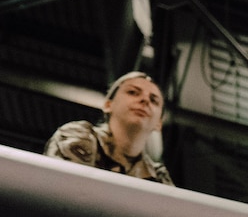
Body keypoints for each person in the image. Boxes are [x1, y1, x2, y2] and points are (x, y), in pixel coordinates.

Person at [44, 71, 173, 184]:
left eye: (154, 100)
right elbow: (67, 193)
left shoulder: (158, 175)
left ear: (158, 124)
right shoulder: (78, 134)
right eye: (133, 92)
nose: (145, 100)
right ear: (108, 105)